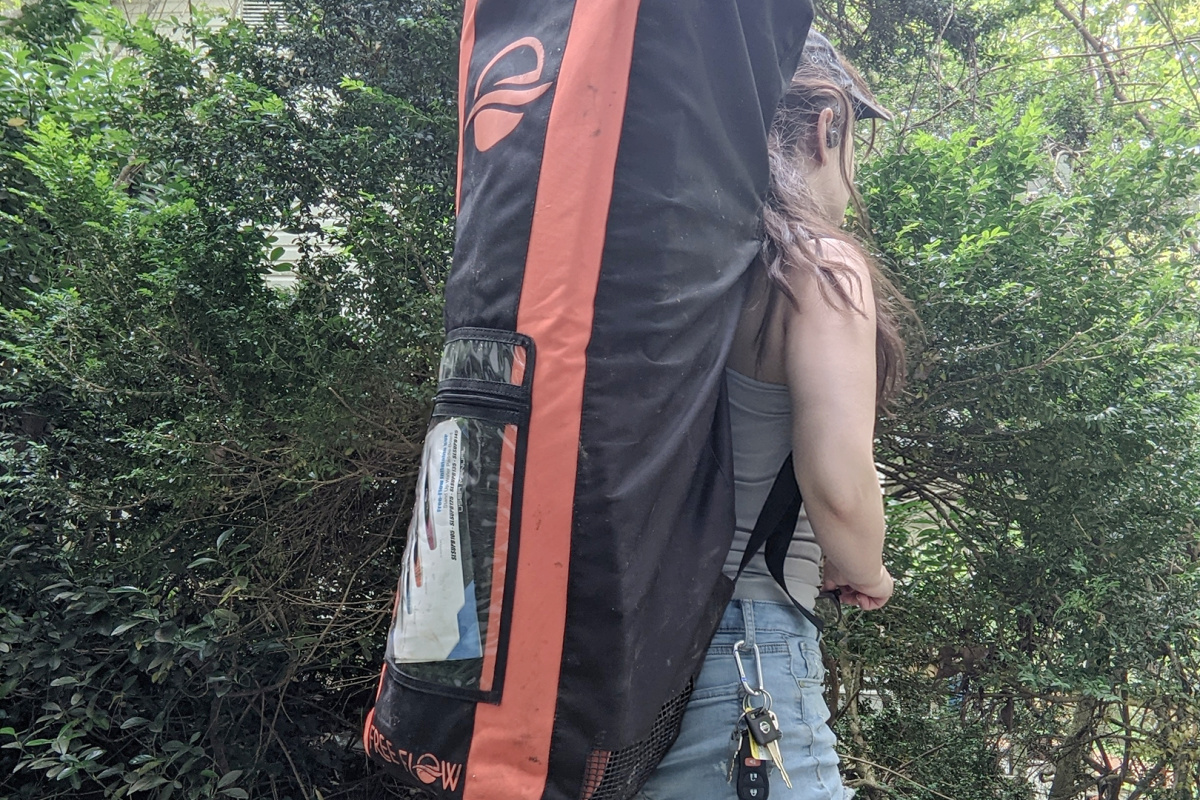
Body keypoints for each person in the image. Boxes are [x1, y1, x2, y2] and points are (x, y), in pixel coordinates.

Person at [634, 32, 910, 800]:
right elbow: (840, 487)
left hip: (604, 651)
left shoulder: (663, 256)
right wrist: (869, 572)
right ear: (828, 125)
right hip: (739, 650)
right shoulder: (813, 265)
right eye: (857, 141)